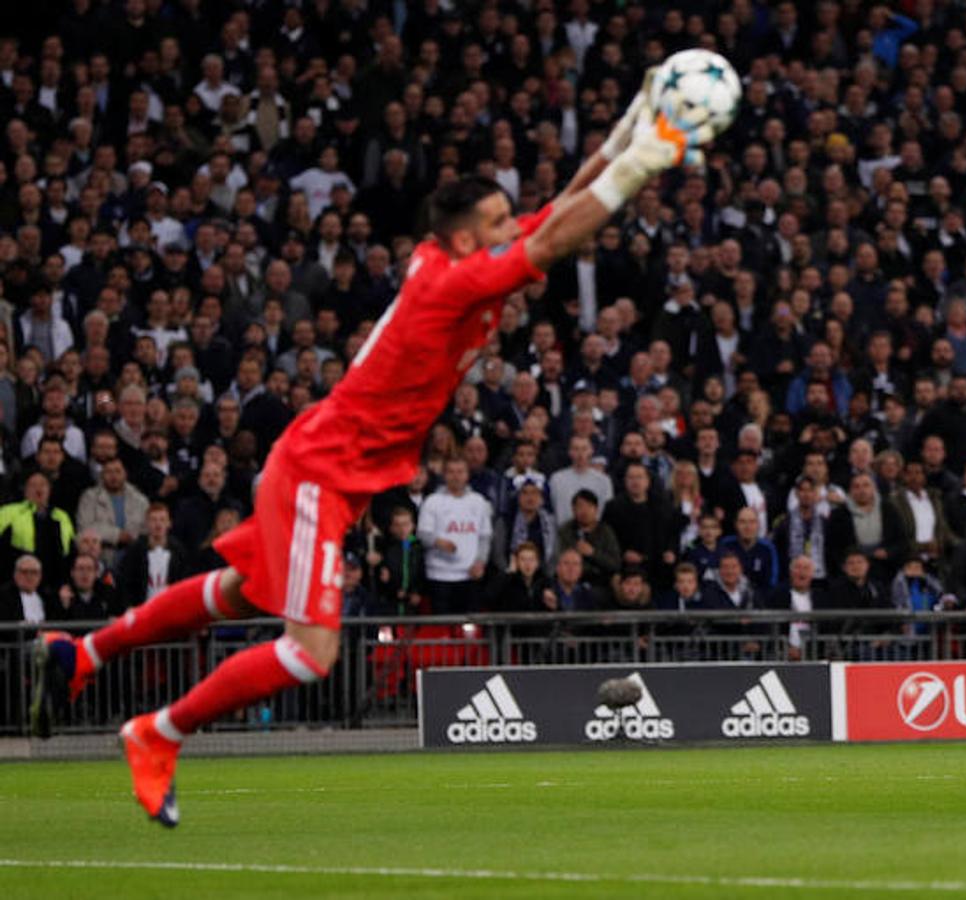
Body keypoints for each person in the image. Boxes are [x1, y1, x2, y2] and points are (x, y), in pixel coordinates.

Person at [30, 89, 721, 826]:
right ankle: (156, 733)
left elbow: (552, 215)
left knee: (233, 593)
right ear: (464, 238)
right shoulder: (455, 281)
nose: (509, 231)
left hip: (328, 467)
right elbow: (552, 241)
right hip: (318, 474)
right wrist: (647, 163)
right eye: (495, 224)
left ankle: (85, 654)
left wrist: (622, 137)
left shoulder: (450, 258)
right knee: (310, 652)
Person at [417, 457, 494, 615]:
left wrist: (481, 561)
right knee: (442, 628)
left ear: (467, 475)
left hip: (469, 576)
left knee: (468, 628)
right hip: (439, 575)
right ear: (444, 475)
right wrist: (438, 542)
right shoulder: (433, 501)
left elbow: (485, 536)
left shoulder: (478, 502)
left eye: (460, 472)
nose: (456, 476)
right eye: (451, 472)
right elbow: (422, 534)